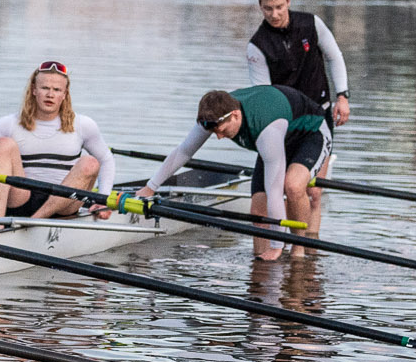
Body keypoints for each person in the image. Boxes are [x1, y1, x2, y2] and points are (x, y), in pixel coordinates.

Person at [137, 84, 332, 261]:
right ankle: (261, 269)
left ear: (236, 115)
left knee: (292, 185)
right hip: (278, 136)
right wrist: (150, 187)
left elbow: (275, 191)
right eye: (215, 133)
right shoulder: (212, 115)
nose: (219, 137)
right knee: (258, 210)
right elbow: (184, 151)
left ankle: (298, 251)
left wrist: (277, 245)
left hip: (310, 132)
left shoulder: (266, 130)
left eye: (222, 131)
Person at [247, 0, 350, 236]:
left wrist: (343, 96)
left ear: (289, 2)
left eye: (280, 7)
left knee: (313, 191)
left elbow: (335, 56)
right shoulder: (257, 46)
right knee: (285, 189)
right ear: (260, 6)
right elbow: (264, 95)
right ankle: (283, 251)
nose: (275, 14)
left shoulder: (311, 24)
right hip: (285, 122)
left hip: (318, 116)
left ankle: (308, 249)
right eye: (268, 9)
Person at [0, 61, 117, 220]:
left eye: (56, 90)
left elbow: (106, 159)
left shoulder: (83, 124)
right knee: (3, 144)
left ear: (64, 95)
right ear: (34, 90)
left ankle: (35, 221)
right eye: (45, 88)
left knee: (90, 162)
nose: (50, 94)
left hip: (65, 202)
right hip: (21, 199)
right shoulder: (8, 123)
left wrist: (103, 198)